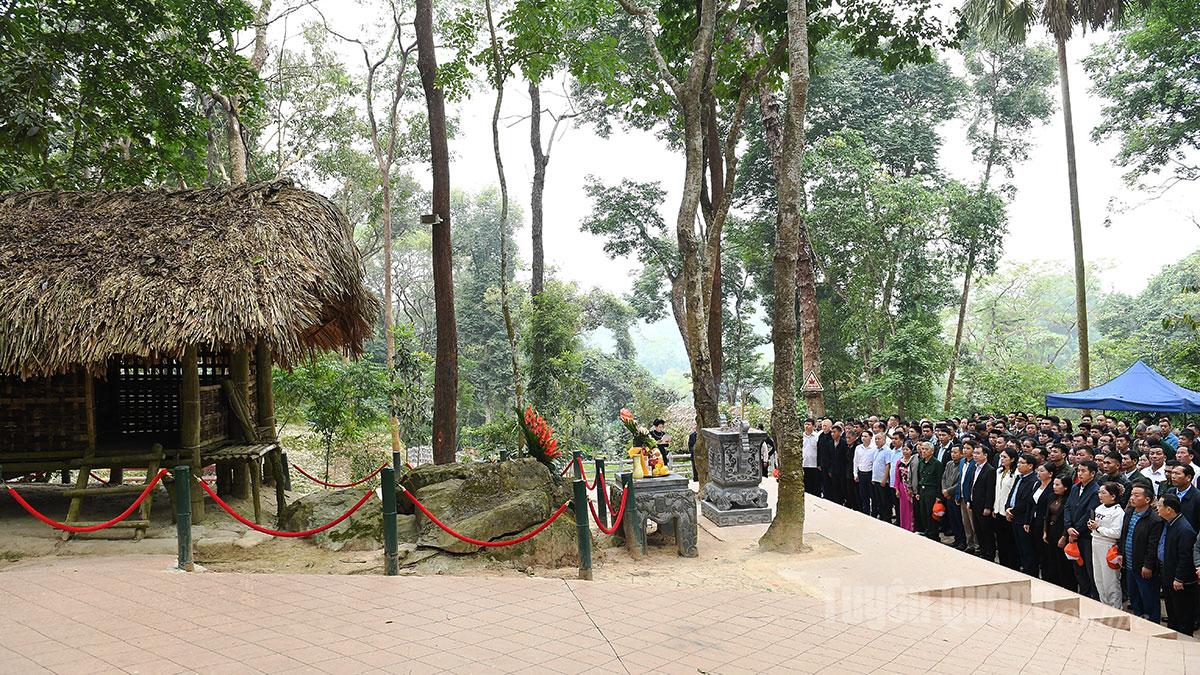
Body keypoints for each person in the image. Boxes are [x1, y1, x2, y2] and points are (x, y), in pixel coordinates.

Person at [1119, 483, 1163, 624]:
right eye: (1132, 494)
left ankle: (1153, 623)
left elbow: (1153, 546)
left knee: (1149, 598)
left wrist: (1148, 565)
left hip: (1144, 566)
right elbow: (1124, 535)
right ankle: (1138, 621)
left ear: (1147, 499)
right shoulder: (1129, 512)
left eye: (1136, 495)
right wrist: (1121, 554)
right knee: (1134, 596)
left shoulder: (1155, 520)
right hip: (1130, 563)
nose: (1132, 498)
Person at [1158, 494, 1198, 635]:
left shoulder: (1184, 529)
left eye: (1160, 506)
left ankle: (1184, 640)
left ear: (1169, 509)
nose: (1157, 508)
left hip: (1180, 581)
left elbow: (1185, 557)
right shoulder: (1170, 523)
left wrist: (1179, 578)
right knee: (1172, 612)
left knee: (1183, 614)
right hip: (1168, 574)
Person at [1064, 460, 1102, 600]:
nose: (1080, 474)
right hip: (1073, 532)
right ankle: (1084, 593)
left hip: (1086, 535)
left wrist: (1076, 530)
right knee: (1078, 567)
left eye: (1083, 471)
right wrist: (1068, 527)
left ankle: (1094, 597)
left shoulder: (1095, 491)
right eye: (1078, 470)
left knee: (1089, 568)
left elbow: (1089, 514)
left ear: (1092, 474)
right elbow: (1067, 507)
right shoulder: (1075, 488)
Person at [1088, 482, 1126, 609]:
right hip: (1095, 542)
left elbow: (1116, 533)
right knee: (1099, 579)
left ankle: (1116, 608)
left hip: (1108, 545)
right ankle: (1104, 605)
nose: (1100, 495)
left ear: (1113, 496)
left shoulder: (1118, 512)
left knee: (1110, 581)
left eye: (1103, 493)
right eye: (1099, 492)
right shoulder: (1099, 508)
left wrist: (1098, 528)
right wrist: (1092, 526)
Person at [1007, 453, 1039, 576]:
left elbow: (1026, 501)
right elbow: (1012, 494)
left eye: (1022, 463)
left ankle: (1030, 573)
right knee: (1019, 547)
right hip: (1014, 516)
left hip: (1023, 518)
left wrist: (1013, 511)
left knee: (1027, 549)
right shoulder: (1019, 477)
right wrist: (1007, 508)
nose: (1018, 465)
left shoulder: (1033, 480)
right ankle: (1023, 569)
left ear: (1030, 466)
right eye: (1018, 462)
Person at [1042, 476, 1075, 591]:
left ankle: (1066, 587)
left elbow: (1068, 519)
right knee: (1051, 560)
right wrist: (1045, 531)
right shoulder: (1051, 496)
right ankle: (1053, 585)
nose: (1054, 487)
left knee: (1062, 563)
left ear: (1065, 487)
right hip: (1051, 531)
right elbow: (1047, 515)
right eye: (1054, 484)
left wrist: (1064, 536)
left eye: (1057, 485)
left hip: (1061, 532)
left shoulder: (1069, 499)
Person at [968, 444, 997, 561]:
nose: (974, 455)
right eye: (974, 453)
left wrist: (988, 507)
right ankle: (983, 551)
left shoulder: (990, 470)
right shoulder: (974, 467)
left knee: (986, 531)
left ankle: (990, 554)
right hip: (974, 503)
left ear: (985, 455)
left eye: (977, 453)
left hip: (984, 505)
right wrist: (969, 500)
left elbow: (990, 490)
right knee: (978, 530)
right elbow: (972, 485)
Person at [993, 449, 1019, 569]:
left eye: (1005, 457)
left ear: (1012, 459)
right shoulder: (999, 471)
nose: (1002, 459)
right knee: (1001, 539)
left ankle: (1012, 565)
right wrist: (994, 507)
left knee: (1010, 541)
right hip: (998, 509)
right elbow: (996, 491)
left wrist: (1011, 509)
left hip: (1008, 511)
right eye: (1001, 457)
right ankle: (1003, 564)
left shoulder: (1016, 473)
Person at [915, 441, 943, 540]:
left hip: (932, 491)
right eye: (922, 449)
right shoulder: (921, 462)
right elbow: (919, 477)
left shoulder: (936, 464)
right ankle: (927, 531)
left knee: (931, 513)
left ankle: (933, 534)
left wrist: (939, 496)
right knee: (923, 512)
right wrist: (918, 492)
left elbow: (940, 481)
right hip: (922, 490)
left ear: (932, 451)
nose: (923, 451)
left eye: (926, 449)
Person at [957, 439, 980, 553]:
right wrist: (958, 495)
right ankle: (969, 544)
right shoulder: (962, 461)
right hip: (962, 497)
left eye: (968, 448)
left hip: (970, 498)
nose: (965, 450)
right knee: (966, 523)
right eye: (964, 448)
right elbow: (960, 480)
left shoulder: (975, 464)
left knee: (974, 524)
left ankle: (977, 546)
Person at [942, 444, 965, 549]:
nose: (953, 454)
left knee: (959, 520)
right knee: (952, 520)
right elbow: (944, 477)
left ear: (961, 453)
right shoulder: (949, 464)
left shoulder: (963, 464)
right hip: (947, 496)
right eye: (952, 452)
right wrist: (944, 490)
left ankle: (962, 541)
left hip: (956, 496)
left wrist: (948, 491)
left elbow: (960, 482)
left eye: (955, 452)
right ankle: (956, 539)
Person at [1167, 464, 1200, 529]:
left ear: (1188, 477)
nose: (1173, 476)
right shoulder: (1170, 492)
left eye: (1177, 474)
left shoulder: (1197, 496)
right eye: (1172, 473)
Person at [853, 430, 875, 515]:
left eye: (866, 436)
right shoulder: (858, 448)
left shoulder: (874, 448)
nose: (863, 438)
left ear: (870, 437)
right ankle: (865, 512)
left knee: (872, 495)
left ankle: (874, 513)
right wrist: (855, 473)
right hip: (861, 474)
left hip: (870, 474)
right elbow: (855, 461)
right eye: (862, 436)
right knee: (863, 495)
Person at [870, 432, 890, 522]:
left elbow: (887, 465)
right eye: (876, 439)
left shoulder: (887, 450)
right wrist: (873, 478)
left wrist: (884, 479)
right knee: (878, 500)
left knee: (885, 501)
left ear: (884, 440)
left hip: (883, 480)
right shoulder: (876, 450)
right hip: (876, 479)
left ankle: (886, 518)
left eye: (879, 439)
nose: (877, 441)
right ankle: (881, 517)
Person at [896, 444, 915, 532]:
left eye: (907, 449)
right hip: (902, 487)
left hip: (911, 487)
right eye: (903, 449)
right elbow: (897, 476)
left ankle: (912, 526)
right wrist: (897, 489)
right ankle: (904, 526)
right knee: (903, 508)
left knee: (911, 508)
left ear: (911, 451)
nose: (905, 451)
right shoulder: (899, 462)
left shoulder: (913, 461)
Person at [816, 419, 835, 500]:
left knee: (831, 483)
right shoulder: (821, 436)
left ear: (830, 426)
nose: (823, 427)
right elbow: (818, 450)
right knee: (824, 482)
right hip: (822, 463)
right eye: (823, 426)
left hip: (830, 464)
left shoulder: (832, 436)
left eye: (825, 426)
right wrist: (818, 463)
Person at [802, 420, 820, 497]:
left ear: (813, 426)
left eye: (809, 424)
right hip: (804, 464)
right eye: (805, 424)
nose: (807, 426)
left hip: (814, 465)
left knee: (815, 486)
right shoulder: (801, 437)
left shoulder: (817, 436)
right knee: (806, 486)